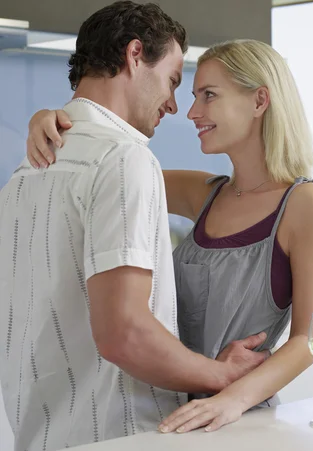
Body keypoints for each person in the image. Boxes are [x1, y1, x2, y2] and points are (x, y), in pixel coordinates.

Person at [26, 39, 313, 433]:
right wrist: (52, 120)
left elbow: (310, 338)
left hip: (235, 422)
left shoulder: (307, 205)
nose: (191, 112)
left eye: (208, 96)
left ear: (260, 101)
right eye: (193, 96)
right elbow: (102, 173)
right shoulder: (204, 193)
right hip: (158, 415)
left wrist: (232, 399)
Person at [0, 3, 267, 451]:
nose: (175, 105)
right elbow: (125, 332)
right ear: (135, 54)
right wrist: (223, 375)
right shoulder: (124, 158)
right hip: (121, 436)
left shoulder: (28, 169)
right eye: (173, 81)